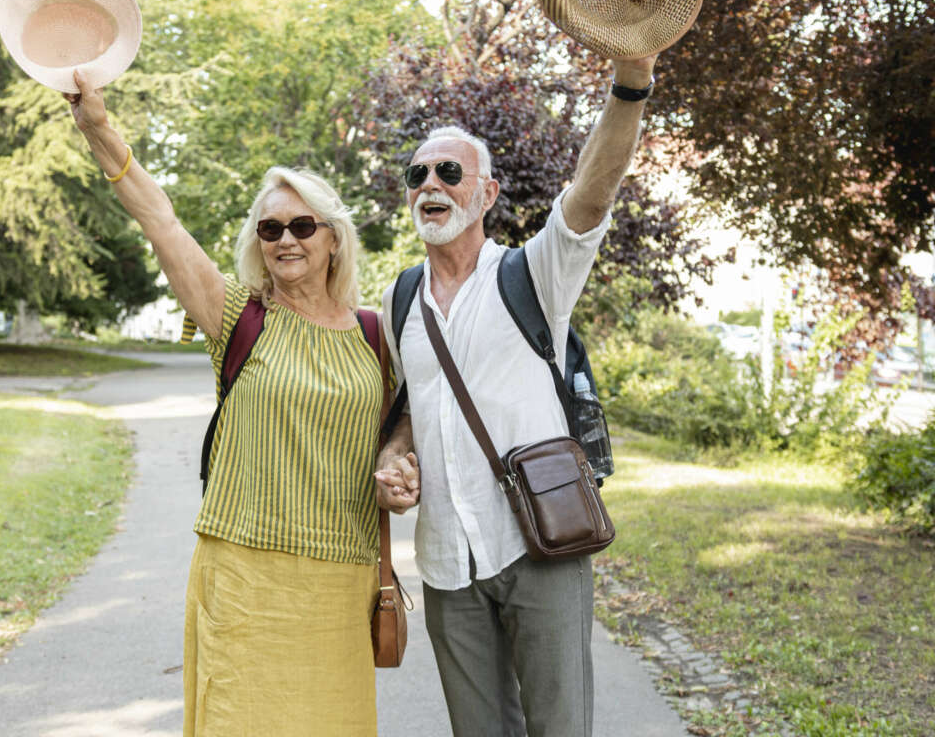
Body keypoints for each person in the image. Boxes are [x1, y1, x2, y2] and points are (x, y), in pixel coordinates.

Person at [65, 70, 401, 736]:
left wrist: (400, 467)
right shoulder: (235, 316)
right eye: (270, 227)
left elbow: (400, 430)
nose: (286, 239)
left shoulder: (376, 334)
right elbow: (158, 218)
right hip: (244, 576)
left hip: (342, 580)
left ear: (333, 237)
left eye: (302, 224)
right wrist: (99, 129)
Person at [373, 55, 659, 736]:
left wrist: (631, 83)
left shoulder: (534, 274)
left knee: (558, 727)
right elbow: (411, 406)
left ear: (487, 192)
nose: (430, 185)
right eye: (418, 175)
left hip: (540, 546)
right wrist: (393, 460)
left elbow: (592, 192)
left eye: (449, 172)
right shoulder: (399, 298)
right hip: (446, 559)